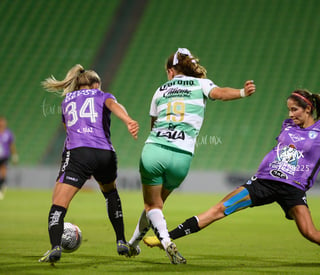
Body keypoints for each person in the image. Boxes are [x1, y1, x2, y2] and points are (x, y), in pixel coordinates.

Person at [143, 89, 320, 267]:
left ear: (307, 109)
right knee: (219, 209)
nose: (290, 115)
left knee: (309, 232)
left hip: (293, 190)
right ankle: (165, 238)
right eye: (288, 110)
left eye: (294, 110)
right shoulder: (287, 125)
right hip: (263, 182)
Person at [127, 48, 256, 264]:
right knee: (156, 205)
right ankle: (132, 245)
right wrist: (242, 92)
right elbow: (221, 93)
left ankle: (166, 240)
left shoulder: (160, 90)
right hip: (182, 157)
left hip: (155, 150)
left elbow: (153, 125)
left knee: (152, 206)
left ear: (170, 71)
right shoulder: (201, 84)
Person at [38, 64, 139, 263]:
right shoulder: (102, 95)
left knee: (58, 204)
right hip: (105, 154)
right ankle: (120, 241)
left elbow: (69, 130)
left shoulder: (66, 101)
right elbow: (115, 106)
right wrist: (128, 120)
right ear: (95, 85)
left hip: (79, 153)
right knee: (110, 193)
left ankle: (55, 247)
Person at [0, 116, 18, 200]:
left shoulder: (8, 133)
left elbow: (11, 145)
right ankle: (3, 184)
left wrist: (14, 155)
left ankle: (2, 187)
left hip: (4, 156)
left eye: (3, 121)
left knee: (3, 171)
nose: (2, 123)